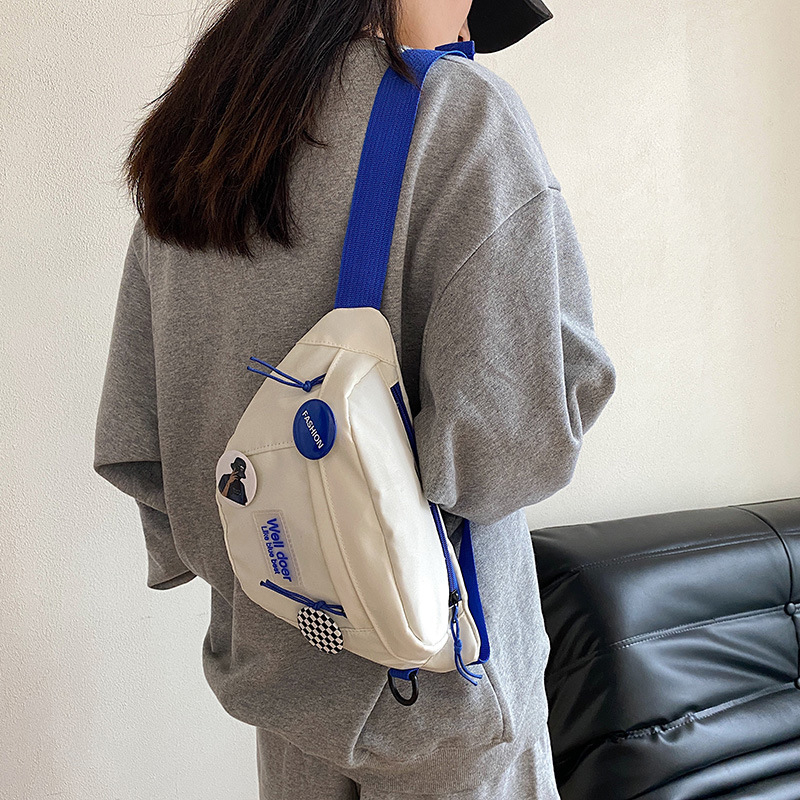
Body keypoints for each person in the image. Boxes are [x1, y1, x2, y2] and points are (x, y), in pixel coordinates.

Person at [93, 0, 617, 797]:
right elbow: (513, 446)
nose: (469, 24)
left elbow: (141, 432)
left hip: (280, 669)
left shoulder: (202, 138)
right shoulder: (459, 114)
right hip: (440, 693)